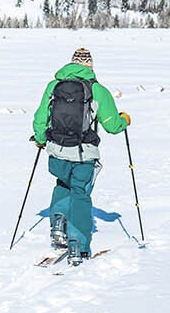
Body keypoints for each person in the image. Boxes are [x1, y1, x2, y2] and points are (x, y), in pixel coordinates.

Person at [31, 47, 131, 265]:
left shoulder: (53, 86)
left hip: (56, 152)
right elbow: (113, 126)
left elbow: (40, 118)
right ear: (90, 66)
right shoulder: (98, 90)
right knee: (80, 194)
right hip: (83, 154)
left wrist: (40, 139)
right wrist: (125, 120)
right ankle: (78, 245)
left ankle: (58, 224)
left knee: (62, 184)